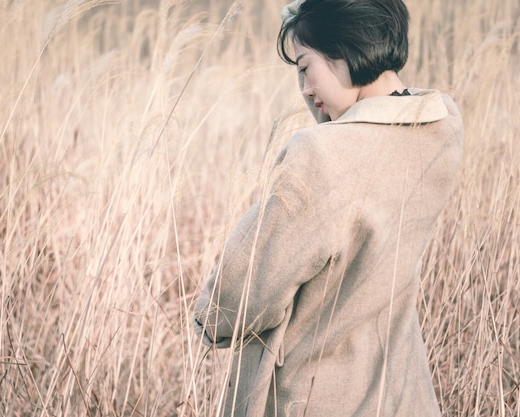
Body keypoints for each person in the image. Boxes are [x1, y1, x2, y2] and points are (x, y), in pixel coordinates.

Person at [193, 0, 463, 416]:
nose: (304, 88)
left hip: (314, 396)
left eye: (305, 67)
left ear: (345, 49)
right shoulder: (442, 125)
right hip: (401, 392)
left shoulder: (322, 156)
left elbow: (244, 290)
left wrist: (208, 318)